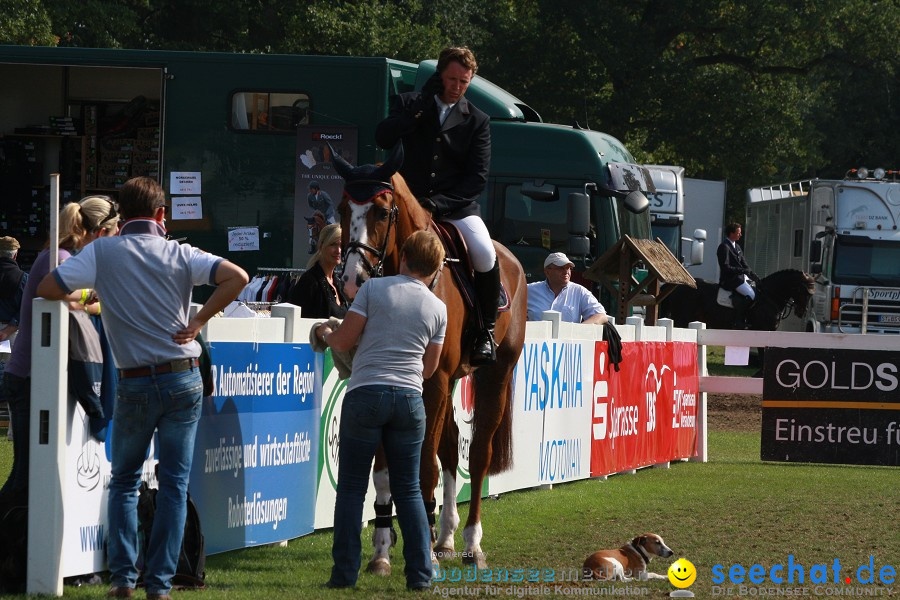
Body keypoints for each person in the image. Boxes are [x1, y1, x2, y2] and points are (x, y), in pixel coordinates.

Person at [36, 177, 248, 600]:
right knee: (173, 484)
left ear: (122, 214)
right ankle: (160, 585)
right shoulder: (179, 252)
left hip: (133, 380)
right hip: (181, 376)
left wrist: (100, 294)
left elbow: (46, 287)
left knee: (125, 482)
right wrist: (200, 320)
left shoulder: (102, 250)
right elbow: (237, 277)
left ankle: (121, 580)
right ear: (161, 214)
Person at [314, 230, 447, 591]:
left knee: (352, 488)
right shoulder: (438, 308)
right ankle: (419, 576)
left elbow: (344, 341)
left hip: (366, 392)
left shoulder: (373, 289)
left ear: (402, 256)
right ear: (436, 269)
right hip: (409, 399)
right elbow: (429, 369)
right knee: (409, 491)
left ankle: (343, 575)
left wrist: (325, 333)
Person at [375, 46, 498, 365]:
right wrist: (417, 111)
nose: (457, 87)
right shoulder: (409, 103)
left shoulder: (478, 121)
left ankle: (486, 330)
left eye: (464, 81)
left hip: (456, 208)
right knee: (371, 240)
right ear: (439, 75)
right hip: (407, 200)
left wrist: (436, 204)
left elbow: (477, 178)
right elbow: (383, 137)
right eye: (452, 79)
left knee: (485, 252)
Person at [0, 197, 120, 510]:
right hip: (30, 376)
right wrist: (95, 298)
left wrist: (92, 299)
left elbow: (72, 298)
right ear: (98, 233)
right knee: (27, 474)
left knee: (31, 473)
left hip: (34, 374)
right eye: (113, 232)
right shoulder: (60, 258)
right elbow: (60, 294)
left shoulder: (60, 255)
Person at [288, 223, 349, 319]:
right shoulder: (309, 282)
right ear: (321, 246)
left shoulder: (339, 283)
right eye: (333, 244)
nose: (338, 250)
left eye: (341, 245)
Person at [527, 252, 608, 324]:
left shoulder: (579, 292)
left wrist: (579, 331)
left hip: (569, 341)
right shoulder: (528, 290)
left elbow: (600, 315)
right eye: (561, 268)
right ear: (547, 272)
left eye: (568, 268)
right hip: (536, 340)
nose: (566, 272)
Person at [717, 222, 759, 329]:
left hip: (740, 278)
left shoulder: (738, 247)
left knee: (757, 292)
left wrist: (753, 275)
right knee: (751, 296)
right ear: (731, 234)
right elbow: (725, 267)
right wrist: (742, 270)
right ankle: (738, 320)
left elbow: (745, 264)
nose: (740, 235)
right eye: (738, 233)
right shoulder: (724, 247)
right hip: (730, 280)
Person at [0, 236, 26, 346]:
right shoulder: (25, 279)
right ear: (15, 255)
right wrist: (7, 331)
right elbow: (25, 308)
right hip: (11, 334)